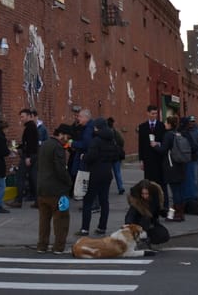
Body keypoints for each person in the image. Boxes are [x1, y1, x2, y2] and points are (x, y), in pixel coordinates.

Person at [36, 123, 74, 254]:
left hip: (42, 189)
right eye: (67, 137)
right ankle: (58, 247)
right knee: (62, 219)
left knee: (44, 220)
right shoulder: (58, 148)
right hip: (58, 191)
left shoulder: (45, 144)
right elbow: (60, 170)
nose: (67, 140)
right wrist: (69, 182)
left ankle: (42, 245)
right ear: (61, 134)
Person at [79, 118, 121, 235]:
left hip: (94, 173)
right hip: (107, 173)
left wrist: (84, 157)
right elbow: (116, 156)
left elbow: (90, 156)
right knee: (104, 201)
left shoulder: (96, 141)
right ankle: (102, 227)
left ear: (97, 127)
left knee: (88, 201)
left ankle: (85, 228)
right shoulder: (112, 140)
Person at [157, 116, 188, 221]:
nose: (165, 124)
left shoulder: (168, 135)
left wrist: (155, 145)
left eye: (166, 122)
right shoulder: (178, 134)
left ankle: (177, 215)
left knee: (175, 192)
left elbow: (163, 150)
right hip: (180, 165)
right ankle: (180, 213)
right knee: (179, 190)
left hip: (171, 166)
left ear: (170, 124)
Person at [137, 104, 168, 211]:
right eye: (153, 113)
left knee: (161, 183)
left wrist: (158, 144)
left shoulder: (161, 126)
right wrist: (141, 160)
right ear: (148, 113)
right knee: (148, 183)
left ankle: (163, 205)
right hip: (148, 160)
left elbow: (165, 143)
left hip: (159, 159)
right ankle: (149, 205)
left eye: (156, 113)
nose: (154, 115)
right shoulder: (142, 127)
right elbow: (140, 145)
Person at [125, 178, 165, 252]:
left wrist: (165, 212)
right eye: (143, 194)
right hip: (139, 225)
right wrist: (129, 226)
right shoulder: (136, 203)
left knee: (163, 234)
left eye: (146, 194)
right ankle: (141, 241)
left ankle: (148, 240)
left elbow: (158, 212)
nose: (144, 196)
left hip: (151, 223)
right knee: (145, 219)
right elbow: (130, 216)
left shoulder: (155, 199)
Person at [10, 108, 39, 207]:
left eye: (23, 117)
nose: (21, 119)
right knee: (33, 178)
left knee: (20, 177)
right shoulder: (32, 127)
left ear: (29, 116)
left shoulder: (30, 127)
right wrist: (18, 147)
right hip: (33, 155)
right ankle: (38, 201)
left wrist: (27, 157)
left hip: (29, 156)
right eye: (21, 117)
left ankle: (18, 201)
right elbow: (29, 143)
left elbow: (30, 144)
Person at [183, 116, 198, 206]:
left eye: (192, 121)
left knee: (195, 178)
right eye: (190, 121)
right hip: (186, 157)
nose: (191, 123)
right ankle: (187, 196)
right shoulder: (185, 131)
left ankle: (194, 196)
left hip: (195, 158)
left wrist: (197, 154)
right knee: (187, 177)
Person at [69, 108, 94, 181]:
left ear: (86, 118)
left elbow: (85, 144)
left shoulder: (88, 129)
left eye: (80, 116)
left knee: (82, 186)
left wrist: (73, 143)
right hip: (83, 160)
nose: (78, 118)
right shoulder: (86, 127)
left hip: (84, 162)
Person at [107, 117, 126, 195]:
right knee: (117, 172)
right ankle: (120, 187)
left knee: (108, 173)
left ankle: (106, 189)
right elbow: (122, 141)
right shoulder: (116, 132)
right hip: (117, 155)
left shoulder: (106, 133)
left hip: (108, 155)